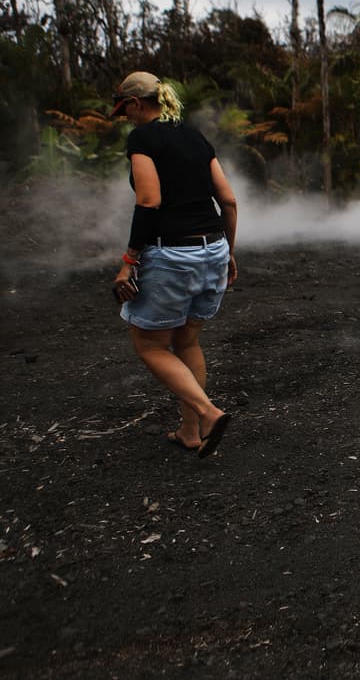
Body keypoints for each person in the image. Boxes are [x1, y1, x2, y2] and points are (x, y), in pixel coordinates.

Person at [110, 71, 238, 458]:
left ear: (136, 103)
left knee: (149, 344)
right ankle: (190, 431)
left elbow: (149, 201)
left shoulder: (143, 138)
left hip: (172, 255)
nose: (126, 118)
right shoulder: (195, 136)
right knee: (186, 339)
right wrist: (229, 252)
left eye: (126, 110)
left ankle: (208, 413)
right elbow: (228, 200)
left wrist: (129, 261)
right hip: (212, 248)